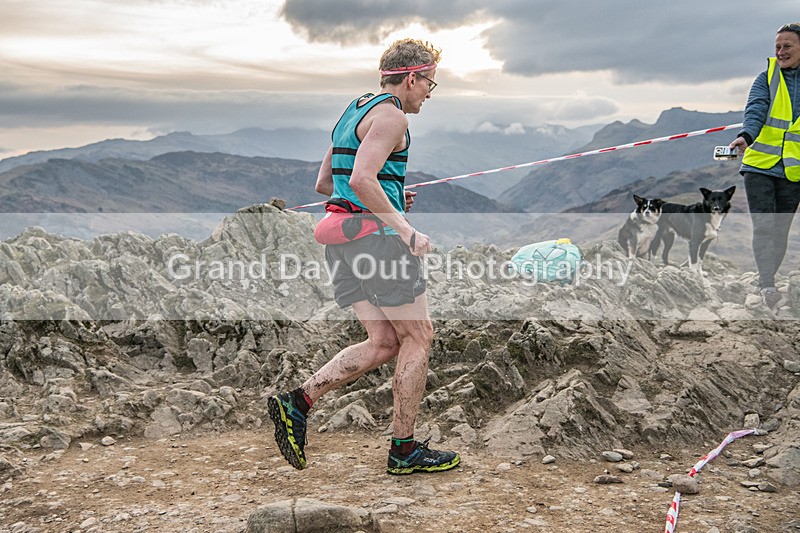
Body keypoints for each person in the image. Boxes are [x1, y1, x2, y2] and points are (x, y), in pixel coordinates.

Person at [267, 38, 460, 475]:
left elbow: (326, 183)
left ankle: (297, 401)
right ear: (412, 76)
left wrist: (390, 195)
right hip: (378, 243)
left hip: (341, 242)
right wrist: (406, 229)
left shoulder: (353, 110)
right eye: (429, 83)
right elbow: (360, 180)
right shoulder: (391, 116)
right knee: (418, 336)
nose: (429, 93)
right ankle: (404, 449)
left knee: (383, 342)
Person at [729, 23, 800, 310]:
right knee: (764, 225)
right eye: (777, 47)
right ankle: (766, 284)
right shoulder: (766, 78)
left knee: (780, 230)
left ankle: (768, 280)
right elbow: (756, 110)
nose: (780, 52)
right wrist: (746, 136)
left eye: (787, 47)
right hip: (759, 163)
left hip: (793, 169)